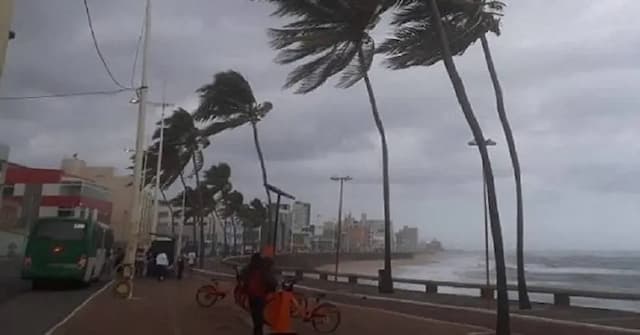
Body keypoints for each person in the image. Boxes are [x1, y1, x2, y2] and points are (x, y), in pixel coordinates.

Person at [241, 253, 277, 335]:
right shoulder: (263, 269)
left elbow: (243, 276)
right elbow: (272, 282)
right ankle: (258, 331)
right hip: (261, 296)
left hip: (251, 295)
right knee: (260, 315)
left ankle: (256, 331)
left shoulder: (249, 267)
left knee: (255, 314)